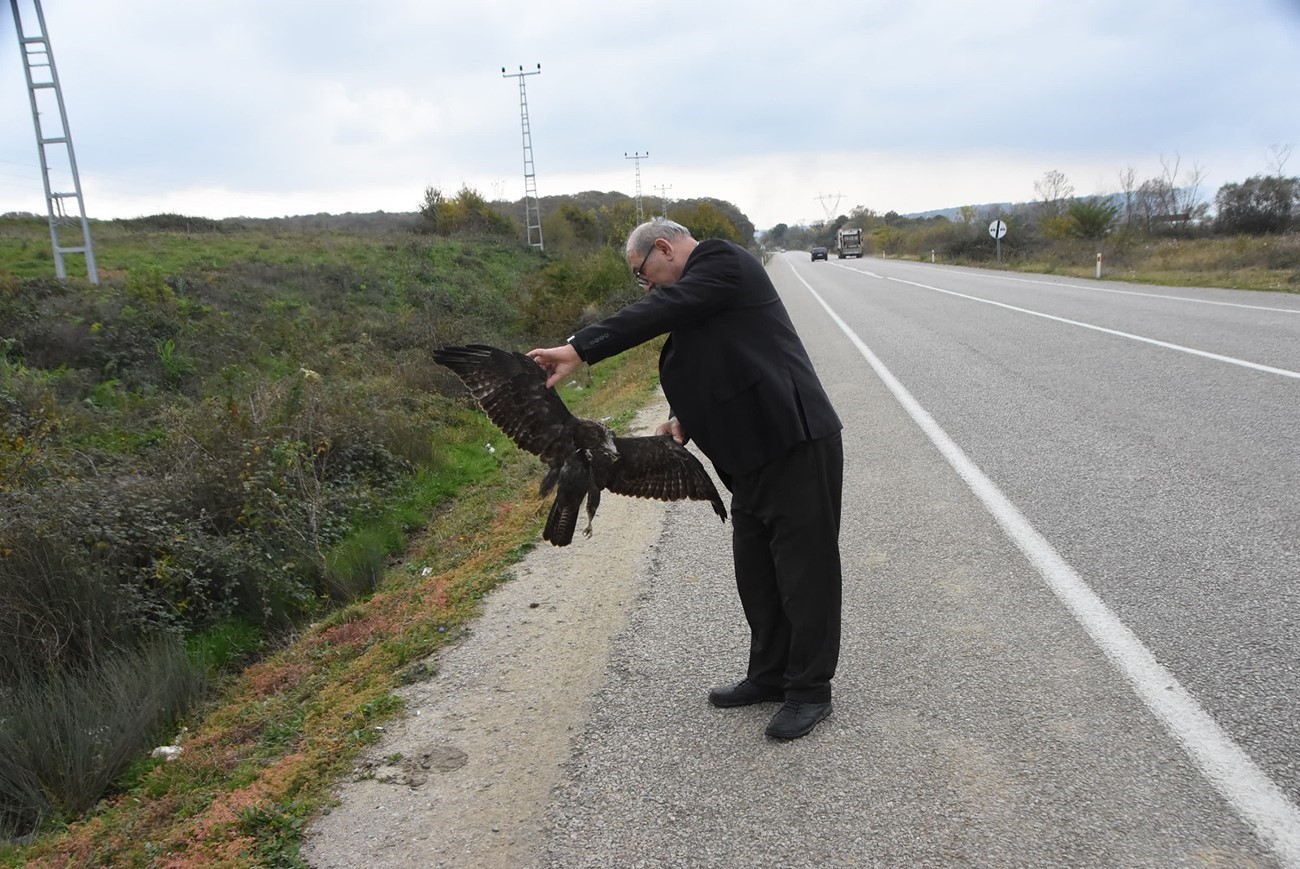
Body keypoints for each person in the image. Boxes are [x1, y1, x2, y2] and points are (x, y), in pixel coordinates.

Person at [528, 217, 843, 741]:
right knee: (758, 574)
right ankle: (768, 676)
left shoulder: (722, 261)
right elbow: (713, 361)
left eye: (641, 273)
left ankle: (810, 690)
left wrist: (581, 348)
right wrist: (683, 417)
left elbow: (663, 310)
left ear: (664, 248)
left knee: (805, 573)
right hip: (749, 460)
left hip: (794, 444)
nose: (645, 286)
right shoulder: (702, 295)